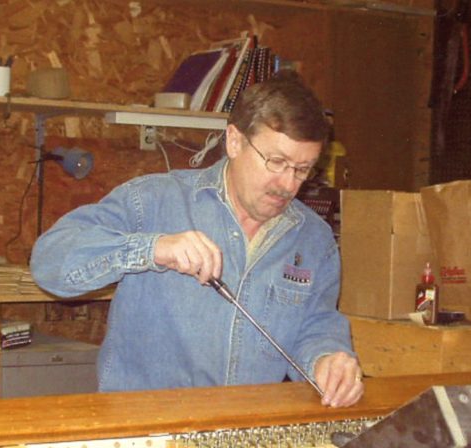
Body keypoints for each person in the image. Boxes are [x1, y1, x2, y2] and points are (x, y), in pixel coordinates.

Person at [30, 70, 364, 408]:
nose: (288, 184)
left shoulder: (314, 239)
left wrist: (326, 357)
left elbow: (316, 323)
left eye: (302, 169)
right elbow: (50, 263)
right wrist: (152, 248)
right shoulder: (152, 200)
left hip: (242, 431)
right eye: (276, 162)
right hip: (145, 429)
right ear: (234, 141)